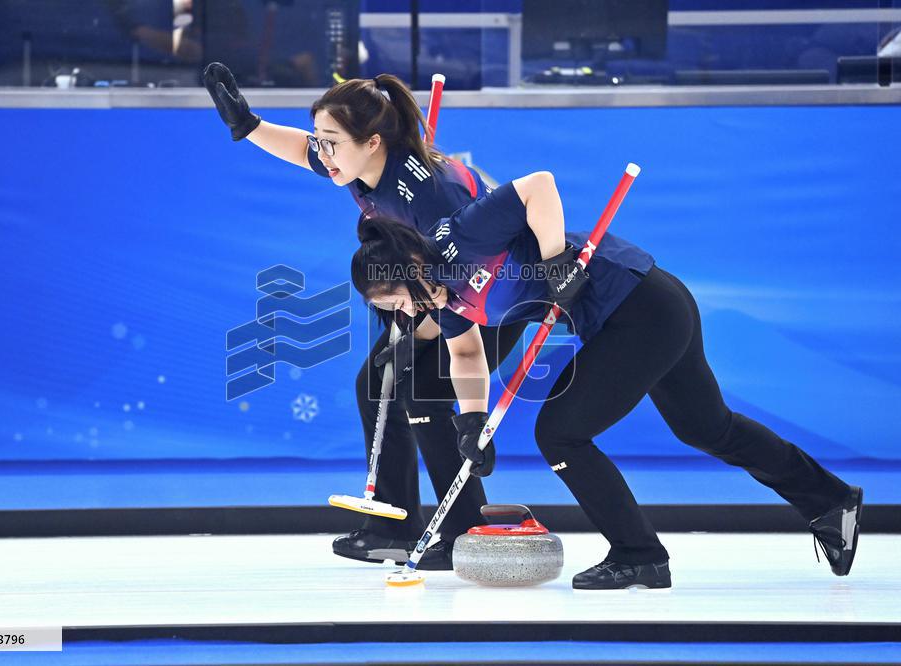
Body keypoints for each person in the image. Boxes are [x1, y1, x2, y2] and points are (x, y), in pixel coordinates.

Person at [350, 171, 863, 590]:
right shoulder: (444, 297)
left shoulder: (462, 235)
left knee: (560, 434)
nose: (404, 314)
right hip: (639, 314)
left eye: (396, 301)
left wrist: (555, 261)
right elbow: (465, 353)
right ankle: (829, 500)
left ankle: (639, 555)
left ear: (411, 266)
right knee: (708, 427)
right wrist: (472, 422)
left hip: (642, 307)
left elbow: (538, 185)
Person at [204, 62, 529, 568]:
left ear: (372, 141)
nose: (322, 152)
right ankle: (393, 526)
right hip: (431, 288)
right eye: (321, 140)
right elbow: (302, 150)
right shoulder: (359, 164)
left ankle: (464, 531)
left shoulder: (431, 194)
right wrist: (247, 125)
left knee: (422, 389)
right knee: (377, 382)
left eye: (331, 142)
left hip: (490, 294)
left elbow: (460, 284)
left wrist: (418, 331)